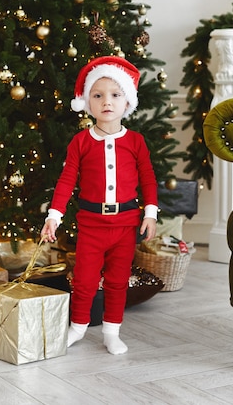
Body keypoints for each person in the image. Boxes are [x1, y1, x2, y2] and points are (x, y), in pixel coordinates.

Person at [41, 56, 158, 355]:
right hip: (91, 225)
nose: (107, 102)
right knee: (84, 279)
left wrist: (150, 214)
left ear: (127, 102)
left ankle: (111, 331)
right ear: (87, 103)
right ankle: (78, 328)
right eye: (98, 95)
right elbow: (67, 180)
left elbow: (148, 179)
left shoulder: (136, 142)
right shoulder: (80, 142)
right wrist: (54, 216)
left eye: (115, 95)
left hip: (125, 224)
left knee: (118, 280)